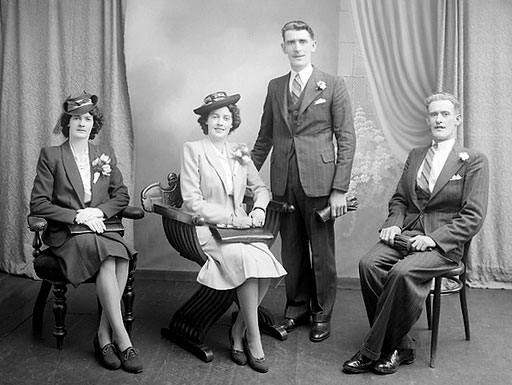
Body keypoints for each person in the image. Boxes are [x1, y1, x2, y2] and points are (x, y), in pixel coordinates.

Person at [343, 92, 489, 375]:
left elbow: (473, 217)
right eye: (434, 114)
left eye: (445, 114)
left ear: (457, 119)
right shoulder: (416, 155)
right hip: (407, 235)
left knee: (400, 273)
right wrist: (394, 224)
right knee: (368, 265)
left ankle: (371, 350)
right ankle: (400, 345)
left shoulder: (473, 160)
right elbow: (399, 199)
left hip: (443, 246)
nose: (439, 119)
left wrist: (433, 239)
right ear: (427, 120)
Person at [251, 20, 356, 342]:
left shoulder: (333, 84)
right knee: (292, 251)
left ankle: (322, 313)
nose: (296, 47)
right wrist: (244, 175)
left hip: (321, 183)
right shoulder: (275, 86)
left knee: (322, 252)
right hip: (283, 182)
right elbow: (265, 137)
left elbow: (347, 139)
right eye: (290, 42)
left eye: (302, 41)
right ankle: (296, 308)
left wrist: (339, 189)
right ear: (283, 47)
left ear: (313, 45)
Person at [30, 93, 143, 374]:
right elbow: (38, 203)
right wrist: (77, 215)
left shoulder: (104, 154)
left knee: (122, 256)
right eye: (77, 118)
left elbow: (121, 195)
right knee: (109, 257)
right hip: (66, 234)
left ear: (95, 124)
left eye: (88, 118)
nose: (82, 123)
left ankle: (104, 338)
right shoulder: (52, 155)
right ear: (67, 122)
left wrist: (99, 212)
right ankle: (123, 341)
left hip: (99, 228)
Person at [180, 91, 287, 373]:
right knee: (248, 262)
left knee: (264, 264)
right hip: (208, 229)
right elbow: (192, 202)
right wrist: (230, 218)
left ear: (232, 122)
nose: (220, 122)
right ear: (205, 121)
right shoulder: (193, 150)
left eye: (226, 117)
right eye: (214, 116)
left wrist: (259, 210)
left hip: (241, 228)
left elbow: (261, 189)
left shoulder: (239, 151)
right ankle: (253, 339)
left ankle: (238, 329)